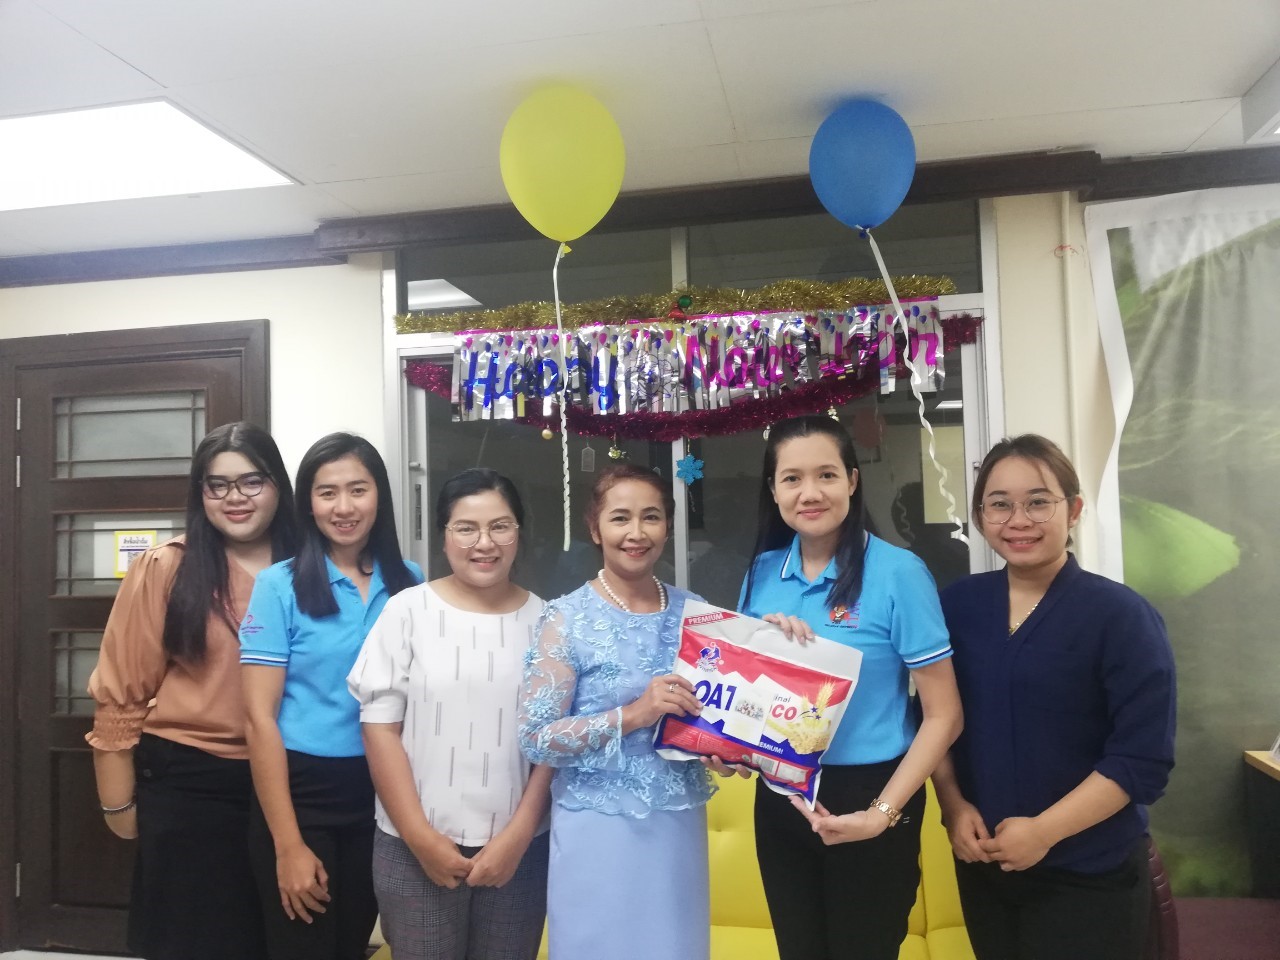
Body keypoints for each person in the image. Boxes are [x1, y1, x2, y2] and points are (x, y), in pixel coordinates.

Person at [931, 435, 1176, 960]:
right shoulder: (957, 607)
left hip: (1091, 874)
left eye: (1039, 501)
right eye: (1000, 504)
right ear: (980, 517)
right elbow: (934, 721)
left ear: (1075, 510)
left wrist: (1044, 832)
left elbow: (1142, 760)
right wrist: (953, 806)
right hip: (986, 868)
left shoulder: (1121, 616)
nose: (1018, 520)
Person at [738, 414, 963, 960]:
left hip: (870, 791)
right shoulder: (762, 572)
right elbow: (748, 697)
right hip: (782, 796)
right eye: (792, 479)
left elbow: (944, 715)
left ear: (853, 481)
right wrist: (731, 747)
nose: (810, 493)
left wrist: (881, 814)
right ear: (773, 490)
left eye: (826, 475)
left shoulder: (899, 572)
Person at [87, 421, 297, 960]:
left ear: (278, 485)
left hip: (298, 783)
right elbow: (121, 694)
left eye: (251, 481)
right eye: (217, 484)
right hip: (191, 785)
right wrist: (118, 806)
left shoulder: (314, 568)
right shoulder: (167, 567)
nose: (235, 497)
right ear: (200, 493)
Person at [348, 468, 553, 960]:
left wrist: (519, 835)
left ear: (519, 532)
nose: (484, 543)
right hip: (411, 846)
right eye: (466, 528)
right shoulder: (407, 611)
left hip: (519, 850)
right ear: (444, 535)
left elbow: (553, 742)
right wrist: (419, 838)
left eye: (500, 526)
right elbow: (379, 730)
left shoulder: (548, 621)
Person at [517, 464, 716, 960]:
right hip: (596, 826)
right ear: (595, 527)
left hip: (676, 826)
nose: (636, 533)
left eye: (651, 517)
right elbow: (536, 737)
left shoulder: (697, 613)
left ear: (667, 526)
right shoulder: (565, 617)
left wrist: (729, 748)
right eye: (620, 518)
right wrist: (633, 714)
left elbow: (716, 715)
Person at [240, 432, 422, 960]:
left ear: (380, 495)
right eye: (327, 493)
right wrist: (288, 844)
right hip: (301, 794)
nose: (344, 507)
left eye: (357, 490)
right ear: (308, 504)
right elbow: (258, 719)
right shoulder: (278, 585)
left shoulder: (410, 582)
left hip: (381, 792)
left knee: (351, 946)